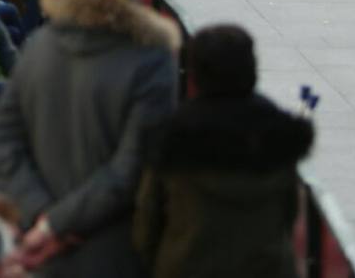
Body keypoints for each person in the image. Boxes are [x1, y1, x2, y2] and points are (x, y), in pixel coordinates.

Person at [0, 0, 179, 277]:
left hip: (38, 251)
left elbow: (3, 141)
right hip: (115, 251)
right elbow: (132, 167)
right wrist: (56, 226)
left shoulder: (41, 45)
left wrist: (40, 216)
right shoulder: (152, 60)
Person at [133, 25, 313, 278]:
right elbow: (289, 213)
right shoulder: (278, 134)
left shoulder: (173, 137)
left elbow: (147, 220)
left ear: (195, 74)